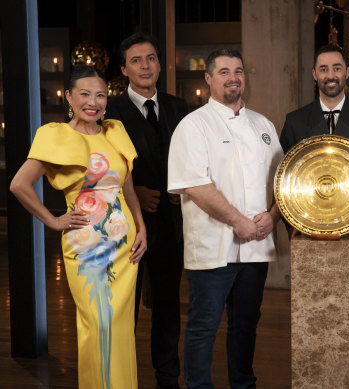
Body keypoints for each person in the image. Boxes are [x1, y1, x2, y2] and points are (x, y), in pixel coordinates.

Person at [10, 65, 146, 388]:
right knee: (98, 324)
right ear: (69, 97)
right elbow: (19, 185)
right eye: (84, 94)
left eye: (100, 95)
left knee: (121, 326)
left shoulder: (115, 131)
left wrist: (141, 228)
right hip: (85, 248)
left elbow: (128, 189)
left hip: (125, 246)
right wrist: (54, 221)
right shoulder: (55, 136)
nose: (93, 102)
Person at [167, 48, 283, 389]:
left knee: (246, 323)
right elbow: (195, 185)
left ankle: (243, 384)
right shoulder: (193, 126)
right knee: (204, 326)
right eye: (224, 72)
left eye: (239, 71)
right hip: (213, 247)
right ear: (208, 79)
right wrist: (239, 221)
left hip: (257, 245)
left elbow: (282, 181)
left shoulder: (263, 124)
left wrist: (273, 217)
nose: (233, 77)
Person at [279, 44, 349, 388]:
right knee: (311, 316)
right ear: (315, 75)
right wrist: (293, 228)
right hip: (308, 239)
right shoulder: (295, 121)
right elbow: (283, 177)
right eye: (324, 69)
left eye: (337, 68)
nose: (331, 75)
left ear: (347, 73)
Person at [105, 32, 187, 389]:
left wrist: (181, 191)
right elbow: (99, 166)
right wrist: (132, 191)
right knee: (125, 305)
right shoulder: (109, 111)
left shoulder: (179, 107)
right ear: (124, 69)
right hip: (124, 227)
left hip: (171, 225)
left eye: (151, 58)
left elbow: (192, 160)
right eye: (136, 60)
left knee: (168, 307)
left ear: (159, 64)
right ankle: (120, 377)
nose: (145, 65)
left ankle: (167, 378)